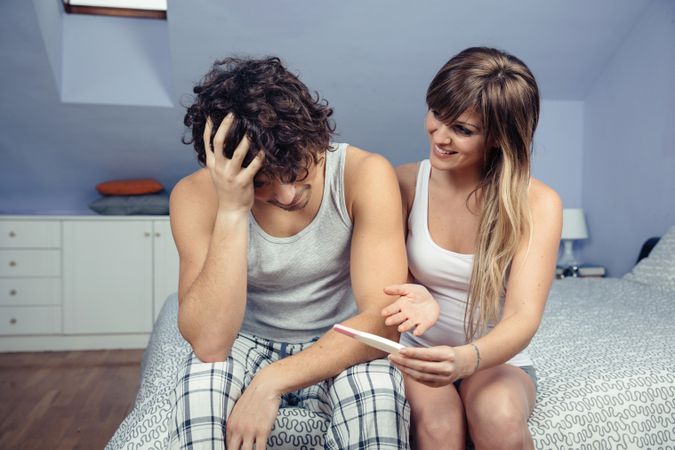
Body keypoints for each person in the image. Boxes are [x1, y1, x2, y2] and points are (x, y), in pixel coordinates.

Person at [167, 56, 410, 450]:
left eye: (296, 168)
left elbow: (384, 324)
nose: (286, 195)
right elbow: (209, 343)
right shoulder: (195, 197)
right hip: (244, 340)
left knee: (379, 389)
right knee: (200, 382)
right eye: (260, 182)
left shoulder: (364, 174)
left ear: (315, 137)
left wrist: (273, 380)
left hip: (341, 338)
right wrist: (232, 209)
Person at [382, 47, 562, 450]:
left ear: (499, 136)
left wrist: (466, 359)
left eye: (462, 129)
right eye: (437, 114)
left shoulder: (538, 203)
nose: (439, 136)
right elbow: (384, 281)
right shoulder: (405, 182)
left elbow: (522, 316)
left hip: (496, 357)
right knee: (441, 427)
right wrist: (417, 291)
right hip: (418, 351)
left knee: (496, 417)